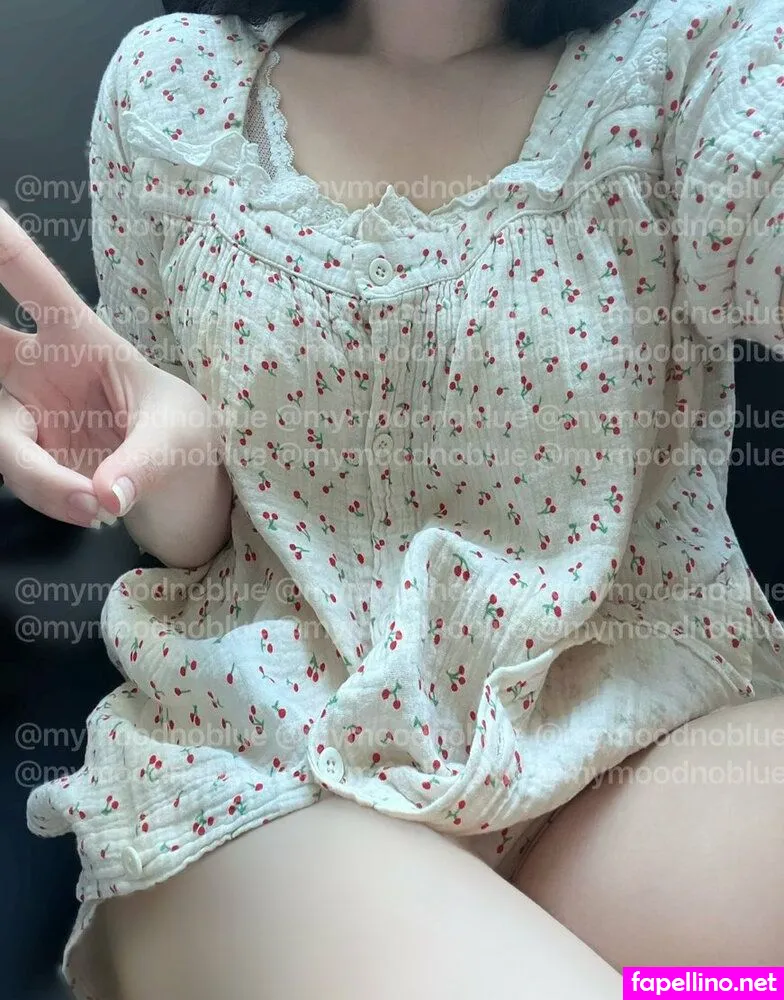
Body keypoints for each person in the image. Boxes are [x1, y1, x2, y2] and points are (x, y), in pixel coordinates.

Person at [1, 0, 783, 995]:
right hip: (276, 764)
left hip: (638, 744)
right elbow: (188, 544)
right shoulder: (172, 86)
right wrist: (153, 453)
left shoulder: (696, 57)